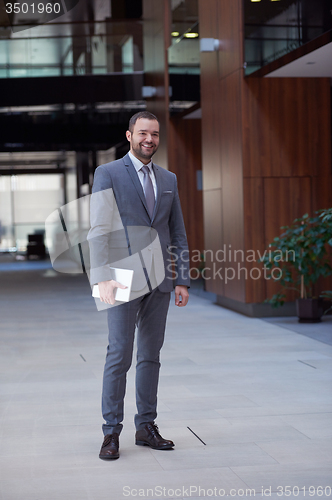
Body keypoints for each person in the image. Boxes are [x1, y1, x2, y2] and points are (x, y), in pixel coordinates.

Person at [88, 111, 190, 460]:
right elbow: (99, 228)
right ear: (130, 135)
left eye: (155, 134)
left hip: (160, 281)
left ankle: (146, 427)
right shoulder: (108, 173)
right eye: (143, 133)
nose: (150, 139)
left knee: (150, 356)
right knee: (119, 355)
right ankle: (110, 432)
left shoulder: (169, 178)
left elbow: (177, 232)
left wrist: (182, 279)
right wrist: (100, 276)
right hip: (119, 278)